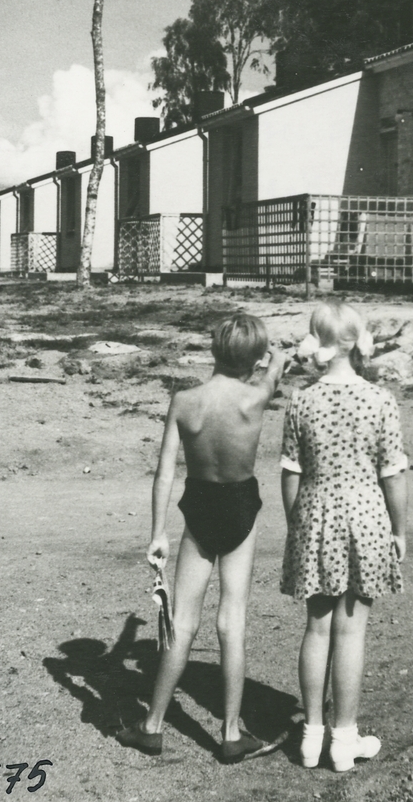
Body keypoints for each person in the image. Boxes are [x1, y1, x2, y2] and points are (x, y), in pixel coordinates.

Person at [117, 312, 286, 763]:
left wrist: (158, 531)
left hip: (200, 506)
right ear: (254, 358)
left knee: (183, 621)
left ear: (212, 349)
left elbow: (165, 472)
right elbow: (277, 367)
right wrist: (270, 357)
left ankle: (152, 726)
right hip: (240, 506)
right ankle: (230, 733)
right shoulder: (256, 396)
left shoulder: (185, 400)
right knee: (232, 620)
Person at [280, 300, 408, 773]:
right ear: (358, 343)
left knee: (316, 628)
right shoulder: (380, 400)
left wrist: (297, 525)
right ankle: (344, 739)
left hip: (314, 516)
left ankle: (311, 736)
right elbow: (393, 475)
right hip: (366, 519)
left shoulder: (302, 400)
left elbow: (291, 473)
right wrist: (399, 529)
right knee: (351, 631)